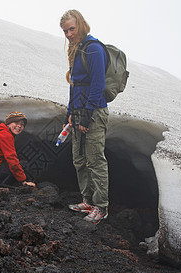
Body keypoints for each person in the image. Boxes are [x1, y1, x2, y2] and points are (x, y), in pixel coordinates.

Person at [60, 9, 109, 224]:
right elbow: (75, 86)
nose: (69, 34)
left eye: (72, 28)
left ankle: (101, 207)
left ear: (80, 24)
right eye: (65, 31)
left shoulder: (93, 49)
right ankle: (87, 200)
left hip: (93, 111)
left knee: (95, 160)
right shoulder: (75, 49)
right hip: (79, 111)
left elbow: (98, 83)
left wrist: (88, 114)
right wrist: (71, 113)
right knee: (79, 159)